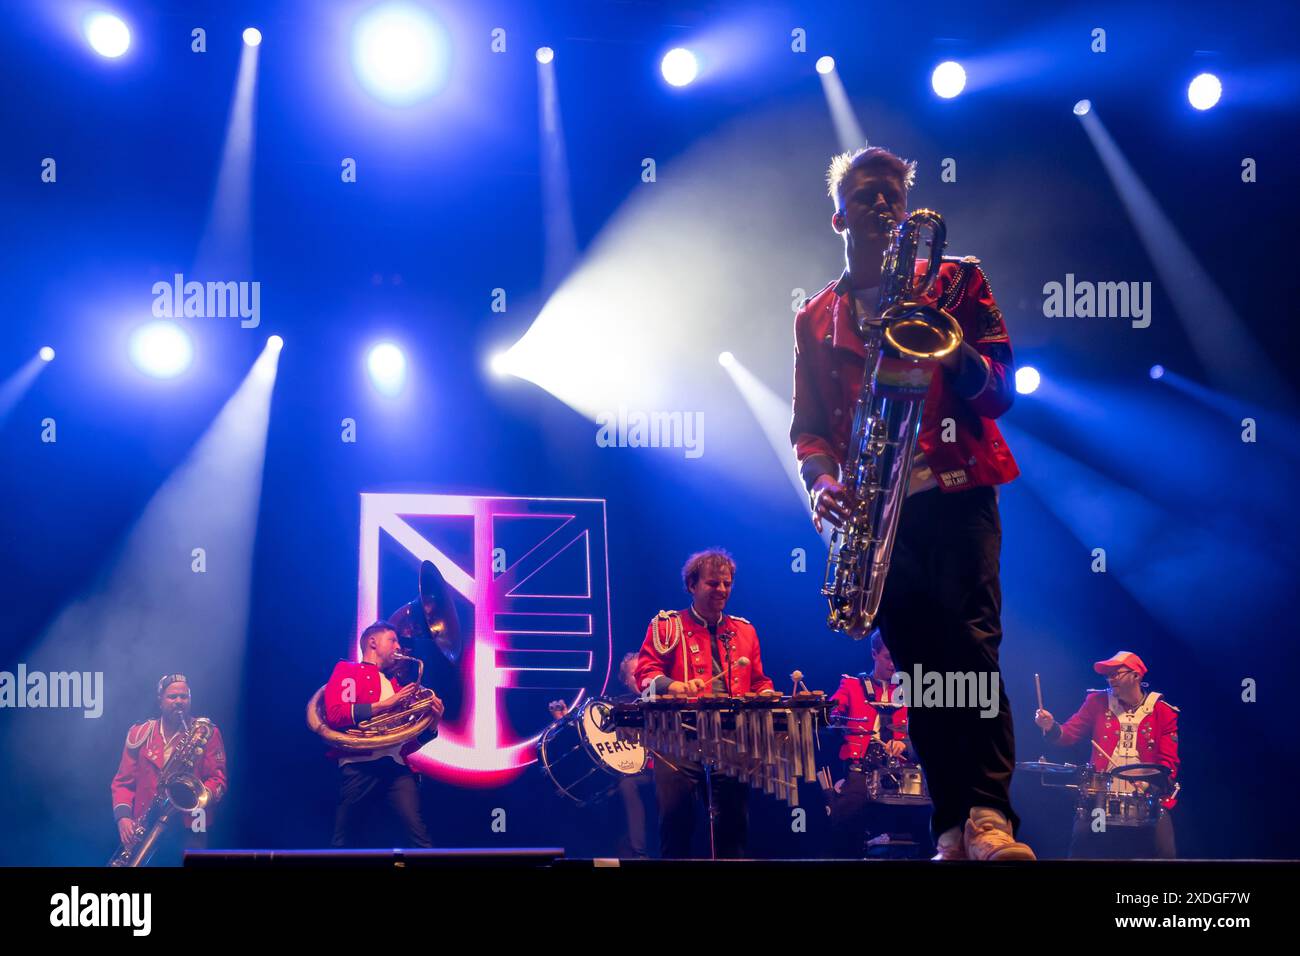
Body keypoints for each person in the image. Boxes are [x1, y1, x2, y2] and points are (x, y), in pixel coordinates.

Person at [791, 144, 1032, 861]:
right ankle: (953, 824)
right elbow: (808, 430)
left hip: (957, 492)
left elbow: (1001, 392)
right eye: (866, 193)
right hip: (878, 516)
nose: (882, 203)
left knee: (971, 651)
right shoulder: (816, 318)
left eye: (892, 190)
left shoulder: (956, 281)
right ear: (838, 214)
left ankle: (991, 814)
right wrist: (824, 483)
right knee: (922, 671)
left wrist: (951, 350)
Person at [634, 549, 775, 857]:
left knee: (734, 827)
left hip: (731, 737)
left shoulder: (745, 631)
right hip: (678, 739)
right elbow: (645, 676)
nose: (722, 590)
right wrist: (676, 687)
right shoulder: (667, 626)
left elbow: (759, 681)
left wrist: (766, 696)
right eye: (713, 584)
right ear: (692, 586)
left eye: (727, 583)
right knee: (676, 825)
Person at [1035, 651, 1179, 858]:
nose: (1110, 679)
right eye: (1108, 675)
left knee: (1164, 854)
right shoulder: (1097, 702)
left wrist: (1149, 784)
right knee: (1083, 849)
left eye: (1116, 674)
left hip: (1146, 798)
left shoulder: (1163, 712)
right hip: (1101, 798)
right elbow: (1068, 734)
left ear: (1136, 675)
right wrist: (1050, 726)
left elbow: (1169, 762)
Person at [325, 621, 443, 848]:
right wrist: (386, 704)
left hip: (396, 767)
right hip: (360, 764)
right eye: (393, 640)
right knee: (344, 839)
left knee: (419, 836)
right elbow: (336, 714)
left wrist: (433, 722)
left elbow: (405, 743)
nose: (399, 646)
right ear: (372, 642)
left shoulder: (394, 684)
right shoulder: (347, 670)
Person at [827, 633, 930, 857]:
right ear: (874, 654)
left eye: (898, 658)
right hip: (861, 770)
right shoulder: (851, 685)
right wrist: (832, 714)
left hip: (903, 772)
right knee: (845, 820)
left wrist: (905, 743)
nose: (894, 664)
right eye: (887, 658)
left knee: (926, 820)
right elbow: (834, 713)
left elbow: (925, 733)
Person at [110, 674, 227, 865]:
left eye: (184, 697)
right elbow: (123, 782)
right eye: (172, 697)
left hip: (192, 824)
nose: (179, 702)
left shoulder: (206, 732)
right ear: (160, 701)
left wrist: (195, 797)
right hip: (147, 823)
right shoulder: (140, 733)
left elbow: (218, 780)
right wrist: (123, 819)